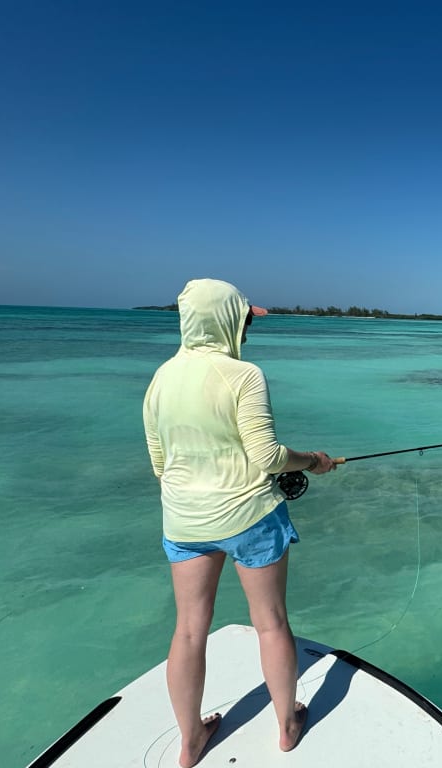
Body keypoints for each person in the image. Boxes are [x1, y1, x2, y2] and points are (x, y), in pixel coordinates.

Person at [142, 278, 336, 768]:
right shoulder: (244, 375)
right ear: (226, 320)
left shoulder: (160, 378)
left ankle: (189, 741)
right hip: (251, 516)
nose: (248, 329)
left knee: (188, 630)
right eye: (244, 319)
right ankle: (287, 726)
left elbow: (160, 464)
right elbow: (269, 457)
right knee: (270, 624)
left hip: (184, 520)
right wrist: (313, 460)